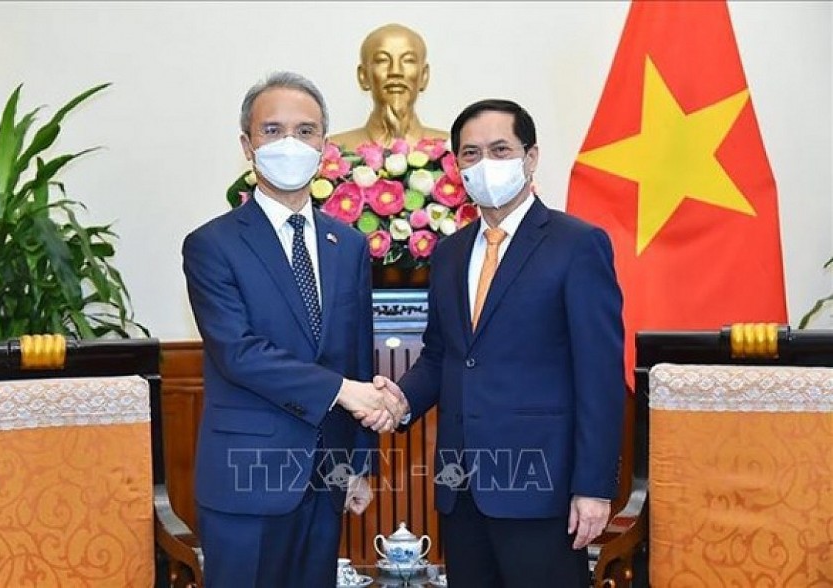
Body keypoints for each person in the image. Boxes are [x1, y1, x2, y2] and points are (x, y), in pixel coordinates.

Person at [376, 99, 625, 586]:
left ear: (530, 158)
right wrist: (400, 400)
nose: (484, 164)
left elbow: (600, 377)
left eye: (500, 149)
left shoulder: (577, 245)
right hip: (462, 489)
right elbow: (444, 355)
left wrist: (593, 488)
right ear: (456, 166)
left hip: (543, 490)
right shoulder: (449, 253)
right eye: (470, 153)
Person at [182, 71, 405, 588]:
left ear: (325, 145)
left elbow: (354, 357)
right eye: (272, 130)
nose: (290, 143)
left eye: (305, 131)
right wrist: (345, 391)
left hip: (325, 479)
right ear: (247, 144)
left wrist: (358, 464)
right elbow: (238, 352)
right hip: (247, 480)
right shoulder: (212, 245)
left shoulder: (347, 245)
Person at [329, 23, 449, 150]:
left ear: (424, 76)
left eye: (408, 60)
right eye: (382, 60)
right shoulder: (334, 151)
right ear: (363, 76)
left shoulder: (451, 150)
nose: (395, 71)